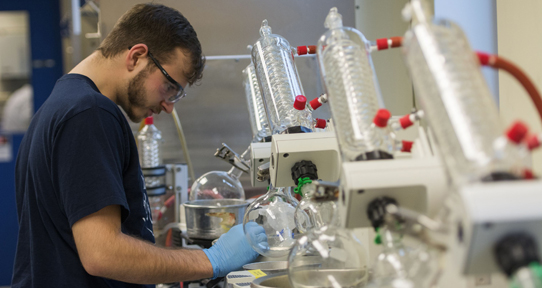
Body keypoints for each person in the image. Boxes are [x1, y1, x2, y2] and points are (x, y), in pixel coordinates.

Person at [12, 4, 265, 288]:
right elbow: (102, 254)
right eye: (170, 87)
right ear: (136, 56)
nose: (169, 106)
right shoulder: (90, 113)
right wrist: (211, 260)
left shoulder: (61, 106)